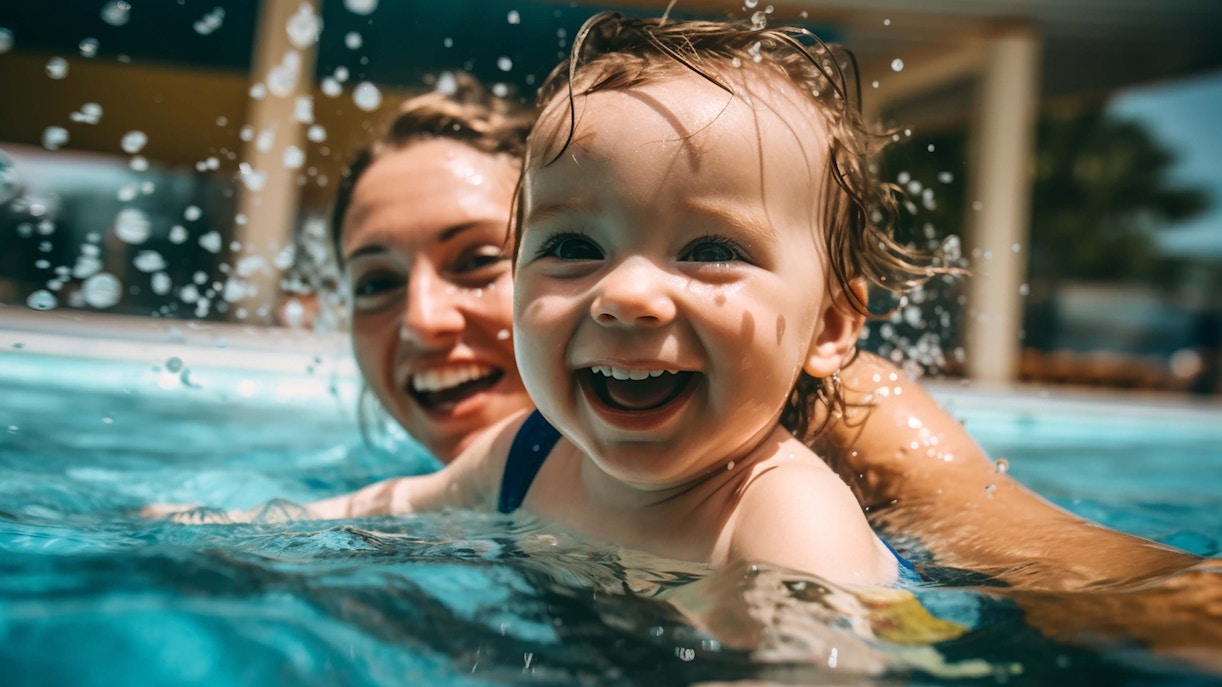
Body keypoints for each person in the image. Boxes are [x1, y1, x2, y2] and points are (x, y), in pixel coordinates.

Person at [151, 27, 1206, 592]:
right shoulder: (524, 458)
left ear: (827, 329)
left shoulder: (812, 470)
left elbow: (1092, 582)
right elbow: (377, 514)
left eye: (474, 258)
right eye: (569, 248)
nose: (624, 290)